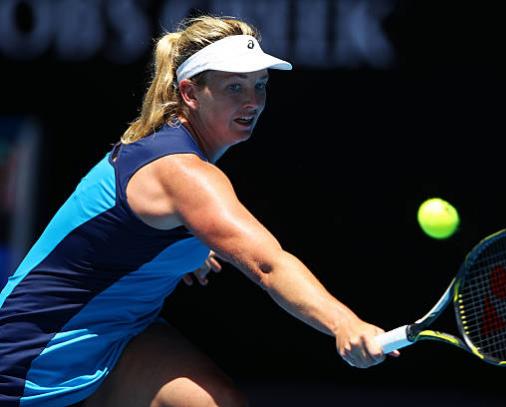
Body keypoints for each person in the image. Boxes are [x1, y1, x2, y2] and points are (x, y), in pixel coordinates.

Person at [0, 15, 398, 407]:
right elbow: (268, 265)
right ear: (190, 93)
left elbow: (125, 232)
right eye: (234, 87)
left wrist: (178, 247)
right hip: (31, 358)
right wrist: (344, 323)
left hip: (117, 336)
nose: (253, 101)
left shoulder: (167, 153)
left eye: (260, 85)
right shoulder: (183, 172)